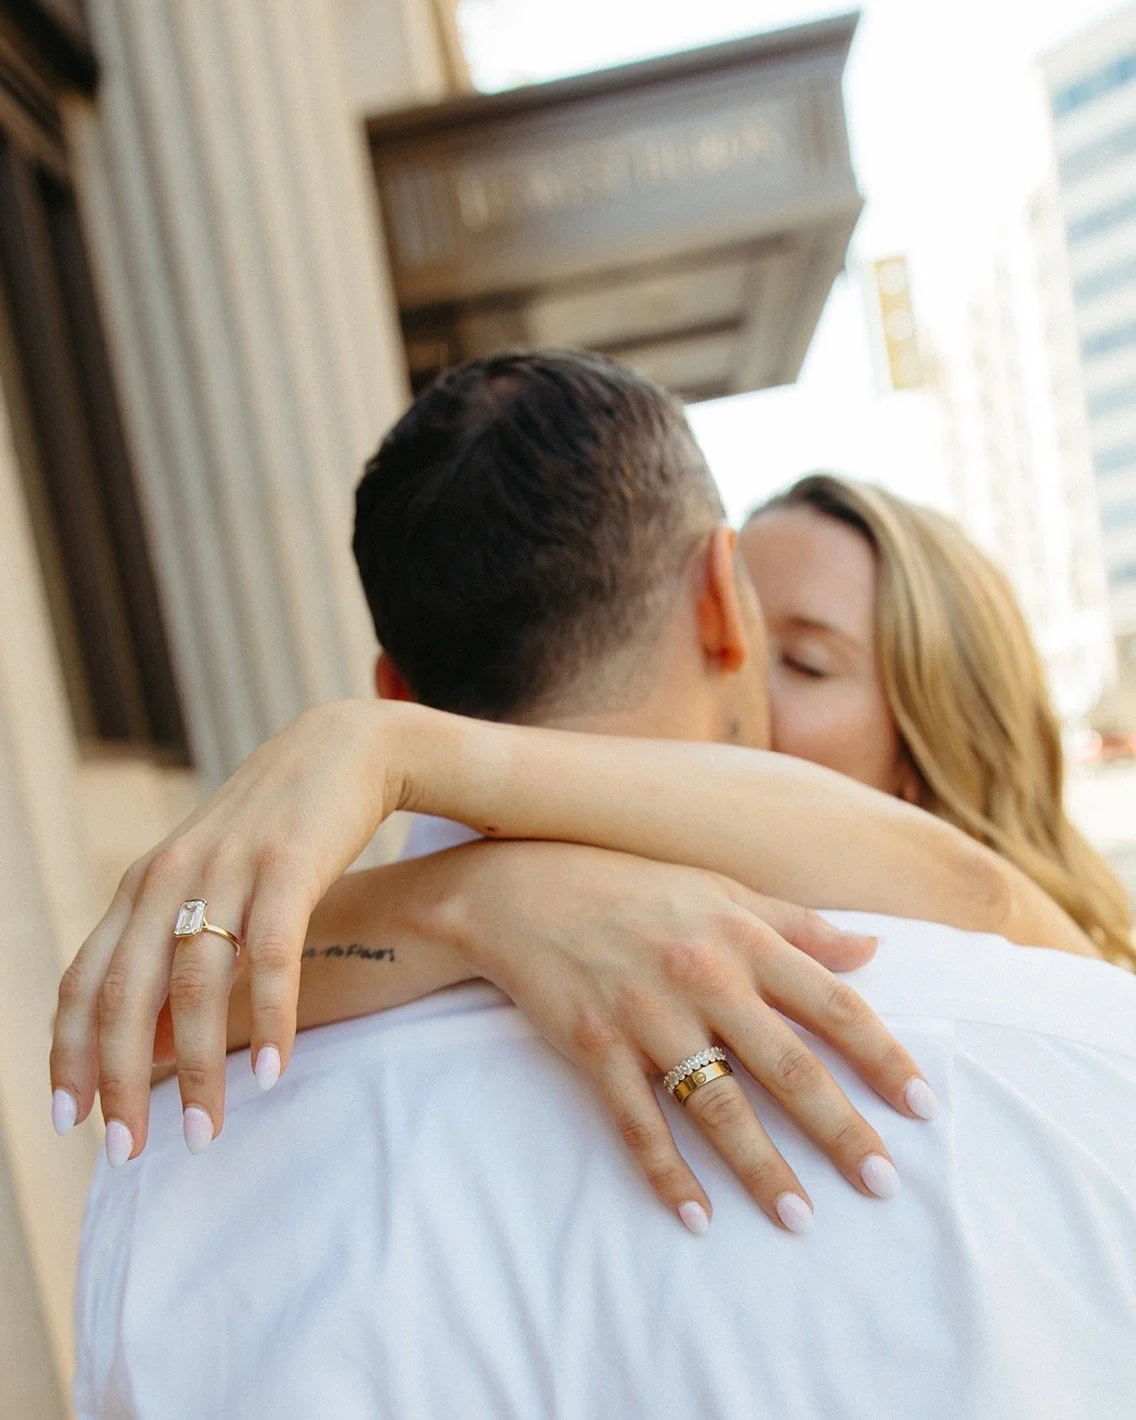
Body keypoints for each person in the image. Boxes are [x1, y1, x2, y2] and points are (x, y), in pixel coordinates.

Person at [63, 352, 1135, 1417]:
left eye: (815, 662)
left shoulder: (175, 1147)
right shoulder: (1055, 1049)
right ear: (725, 599)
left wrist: (417, 803)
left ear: (401, 687)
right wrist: (462, 888)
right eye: (779, 645)